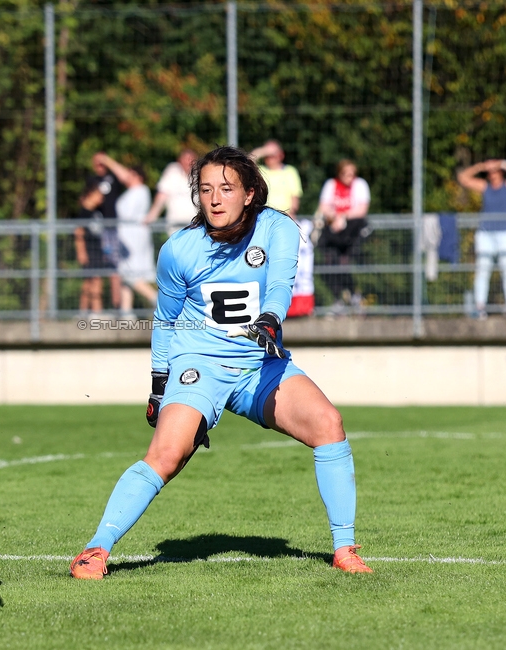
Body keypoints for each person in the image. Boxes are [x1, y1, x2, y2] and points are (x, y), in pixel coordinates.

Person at [70, 146, 372, 580]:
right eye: (206, 189)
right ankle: (95, 550)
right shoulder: (179, 249)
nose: (214, 199)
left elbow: (282, 281)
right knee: (167, 454)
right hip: (199, 365)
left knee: (328, 424)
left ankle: (345, 550)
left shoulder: (278, 227)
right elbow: (165, 320)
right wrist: (159, 385)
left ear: (250, 194)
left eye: (226, 189)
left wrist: (270, 320)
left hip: (259, 364)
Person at [456, 158, 506, 319]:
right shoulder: (485, 187)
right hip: (486, 233)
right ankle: (480, 307)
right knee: (482, 270)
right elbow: (463, 178)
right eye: (491, 172)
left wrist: (503, 163)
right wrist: (480, 166)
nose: (493, 174)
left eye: (495, 171)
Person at [95, 153, 157, 319]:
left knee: (129, 273)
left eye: (130, 174)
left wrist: (107, 160)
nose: (126, 176)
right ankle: (126, 312)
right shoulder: (133, 192)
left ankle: (156, 299)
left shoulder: (140, 191)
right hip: (125, 239)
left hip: (133, 240)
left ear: (137, 176)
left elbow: (127, 215)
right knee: (125, 274)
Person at [317, 160, 370, 314]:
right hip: (334, 230)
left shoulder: (360, 185)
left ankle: (353, 296)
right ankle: (338, 299)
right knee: (329, 263)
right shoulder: (331, 185)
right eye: (346, 174)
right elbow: (323, 207)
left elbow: (362, 210)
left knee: (344, 263)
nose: (350, 177)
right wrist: (333, 217)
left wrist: (343, 217)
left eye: (352, 174)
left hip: (351, 232)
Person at [88, 152, 125, 312]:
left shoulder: (113, 178)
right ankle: (97, 310)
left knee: (114, 269)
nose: (100, 165)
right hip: (98, 232)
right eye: (97, 163)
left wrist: (108, 160)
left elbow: (125, 177)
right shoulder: (91, 181)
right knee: (97, 269)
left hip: (114, 230)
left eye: (102, 163)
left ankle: (118, 308)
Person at [73, 181, 114, 317]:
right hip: (89, 251)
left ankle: (83, 312)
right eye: (99, 195)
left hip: (97, 251)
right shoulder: (84, 212)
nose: (101, 198)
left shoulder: (97, 211)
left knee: (90, 282)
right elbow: (79, 232)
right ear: (91, 194)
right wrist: (81, 251)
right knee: (95, 281)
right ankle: (97, 313)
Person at [146, 148, 198, 235]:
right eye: (186, 159)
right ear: (180, 161)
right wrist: (152, 215)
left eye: (191, 160)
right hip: (175, 227)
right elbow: (162, 195)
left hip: (196, 226)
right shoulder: (172, 171)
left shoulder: (200, 174)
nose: (188, 163)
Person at [250, 140, 302, 216]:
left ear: (281, 155)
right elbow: (249, 162)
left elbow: (295, 196)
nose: (270, 158)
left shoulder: (290, 171)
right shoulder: (261, 171)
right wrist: (264, 150)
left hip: (285, 215)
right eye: (268, 155)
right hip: (263, 214)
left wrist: (292, 213)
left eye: (273, 155)